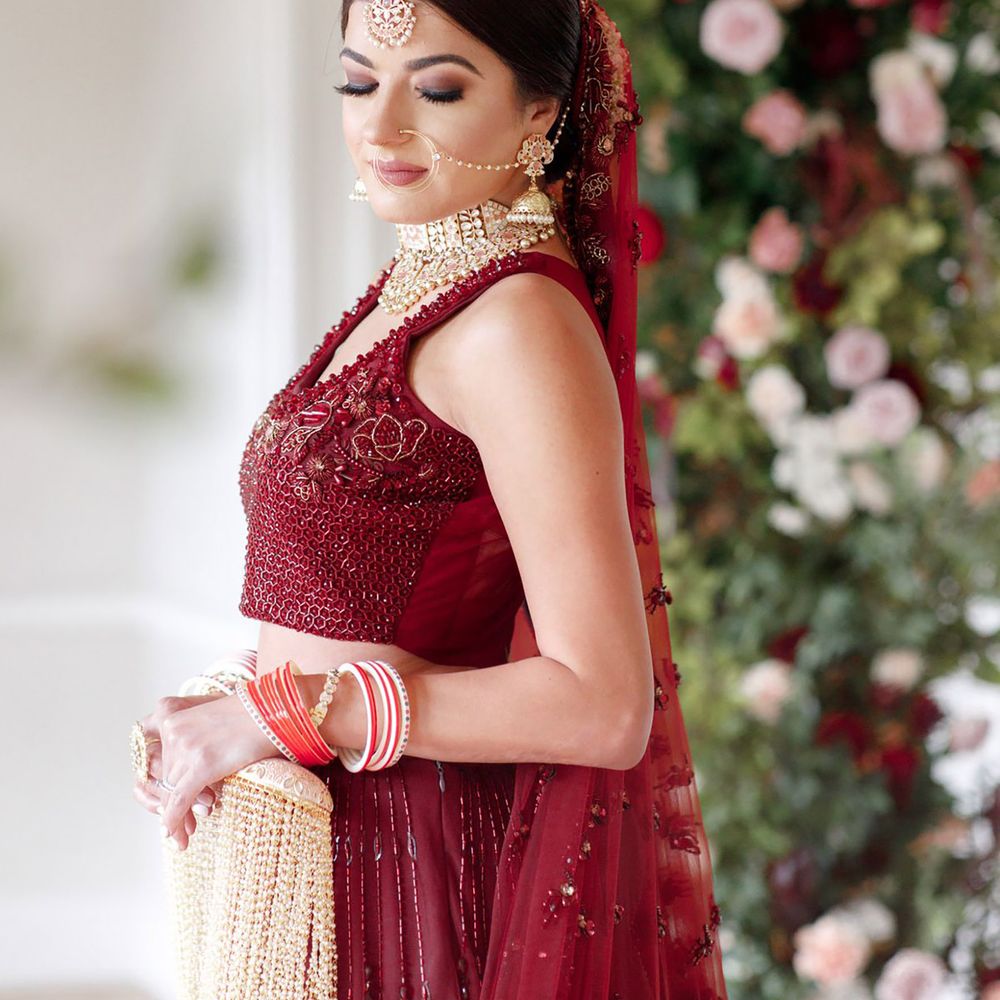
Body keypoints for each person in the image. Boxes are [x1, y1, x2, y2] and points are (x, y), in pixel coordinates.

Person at [132, 1, 729, 997]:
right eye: (358, 80)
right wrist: (239, 700)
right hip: (329, 843)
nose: (380, 123)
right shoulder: (417, 287)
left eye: (438, 87)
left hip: (408, 875)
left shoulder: (516, 322)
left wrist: (283, 713)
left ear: (541, 113)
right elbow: (378, 603)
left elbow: (602, 703)